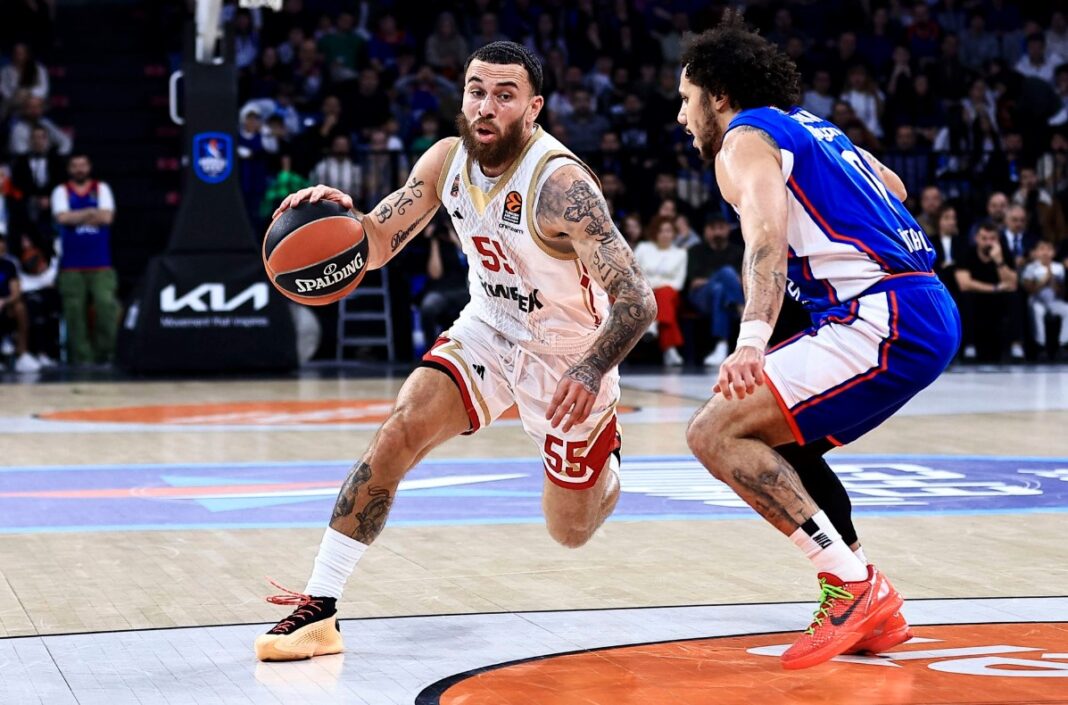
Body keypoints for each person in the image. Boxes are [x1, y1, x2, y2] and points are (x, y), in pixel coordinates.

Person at [255, 41, 655, 662]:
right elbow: (378, 242)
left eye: (504, 95)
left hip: (570, 354)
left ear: (534, 107)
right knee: (399, 430)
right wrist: (339, 218)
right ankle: (320, 607)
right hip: (488, 328)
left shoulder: (561, 186)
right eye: (476, 91)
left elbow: (637, 300)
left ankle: (607, 466)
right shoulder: (446, 161)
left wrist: (591, 367)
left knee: (570, 531)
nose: (486, 106)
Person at [677, 16, 960, 670]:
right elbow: (893, 187)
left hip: (880, 315)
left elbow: (766, 240)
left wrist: (752, 338)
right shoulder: (815, 128)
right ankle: (872, 603)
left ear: (719, 96)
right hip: (919, 304)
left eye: (687, 99)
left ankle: (852, 587)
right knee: (782, 446)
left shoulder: (742, 140)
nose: (682, 116)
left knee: (712, 432)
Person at [51, 154, 119, 366]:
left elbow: (107, 217)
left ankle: (105, 354)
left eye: (83, 165)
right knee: (74, 314)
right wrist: (91, 211)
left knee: (105, 307)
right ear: (69, 169)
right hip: (71, 265)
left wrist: (76, 216)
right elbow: (62, 218)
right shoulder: (61, 191)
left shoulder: (101, 188)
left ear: (89, 167)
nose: (79, 169)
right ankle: (81, 359)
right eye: (75, 165)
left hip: (101, 263)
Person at [634, 216, 687, 366]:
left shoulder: (680, 253)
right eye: (661, 231)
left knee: (664, 295)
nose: (665, 234)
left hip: (670, 294)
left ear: (674, 233)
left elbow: (678, 282)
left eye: (668, 231)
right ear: (655, 233)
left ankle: (653, 324)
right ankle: (669, 350)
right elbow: (634, 272)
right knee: (662, 302)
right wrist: (651, 288)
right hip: (644, 291)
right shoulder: (643, 248)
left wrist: (656, 286)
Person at [0, 237, 40, 373]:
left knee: (20, 307)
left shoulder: (9, 265)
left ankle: (22, 354)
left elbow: (16, 291)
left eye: (2, 246)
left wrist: (4, 301)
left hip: (6, 304)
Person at [1022, 239, 1068, 354]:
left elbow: (1061, 292)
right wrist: (1043, 281)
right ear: (1036, 252)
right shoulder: (1031, 267)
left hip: (1054, 301)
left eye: (1049, 249)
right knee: (1038, 311)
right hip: (1036, 300)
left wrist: (1052, 279)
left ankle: (1063, 343)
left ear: (1054, 252)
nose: (1045, 253)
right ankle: (1040, 344)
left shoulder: (1058, 267)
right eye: (1042, 249)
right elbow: (1029, 289)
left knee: (1067, 309)